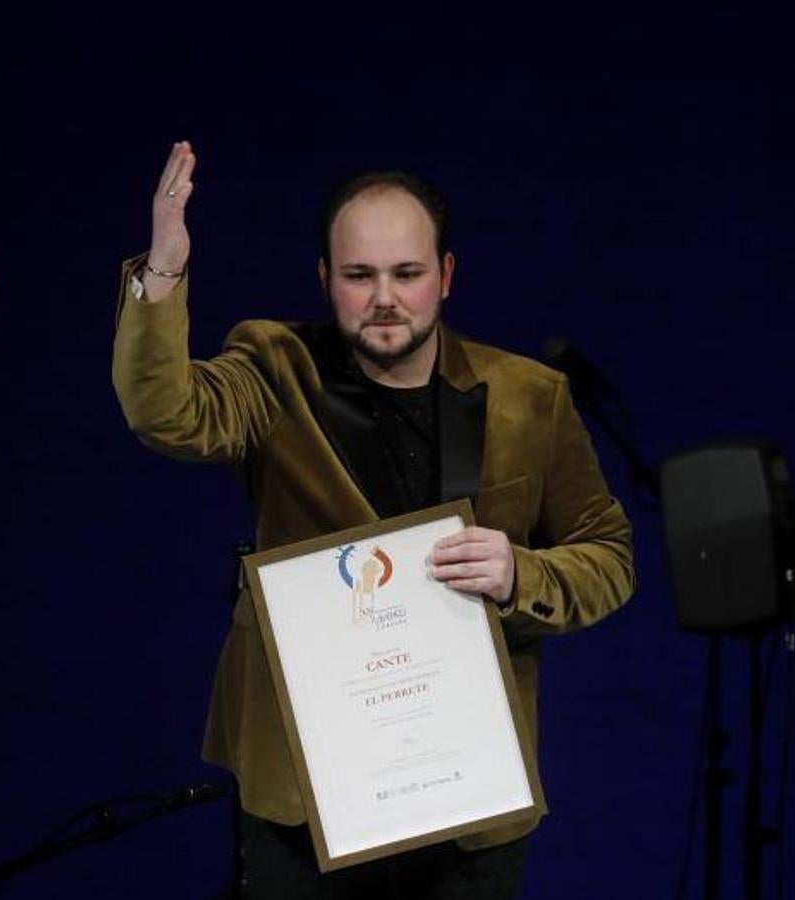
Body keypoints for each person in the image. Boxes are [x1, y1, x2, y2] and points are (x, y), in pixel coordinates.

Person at [112, 142, 635, 898]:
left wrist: (525, 571)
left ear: (446, 277)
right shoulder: (274, 367)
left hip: (468, 788)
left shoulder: (531, 396)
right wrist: (162, 269)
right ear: (325, 280)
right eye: (359, 276)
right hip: (306, 792)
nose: (384, 297)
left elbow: (610, 556)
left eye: (407, 274)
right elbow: (166, 415)